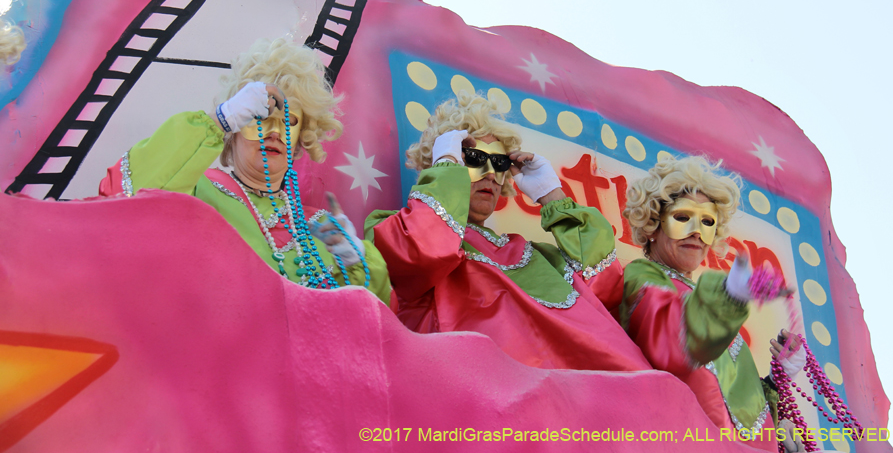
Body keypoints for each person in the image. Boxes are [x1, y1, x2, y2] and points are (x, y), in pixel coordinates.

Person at [366, 92, 650, 371]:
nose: (490, 173)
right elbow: (421, 251)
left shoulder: (539, 256)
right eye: (475, 157)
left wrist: (552, 196)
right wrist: (445, 171)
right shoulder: (395, 228)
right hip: (469, 397)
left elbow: (605, 290)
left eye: (499, 163)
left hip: (578, 404)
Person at [99, 38, 390, 304]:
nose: (275, 132)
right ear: (236, 127)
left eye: (289, 122)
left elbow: (368, 327)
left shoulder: (321, 228)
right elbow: (124, 206)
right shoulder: (196, 193)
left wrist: (356, 262)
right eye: (261, 117)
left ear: (302, 138)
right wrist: (218, 120)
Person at [621, 156, 805, 450]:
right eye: (683, 217)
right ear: (653, 225)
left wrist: (778, 378)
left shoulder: (709, 301)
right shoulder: (642, 276)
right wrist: (727, 295)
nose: (696, 231)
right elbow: (672, 344)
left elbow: (737, 405)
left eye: (707, 222)